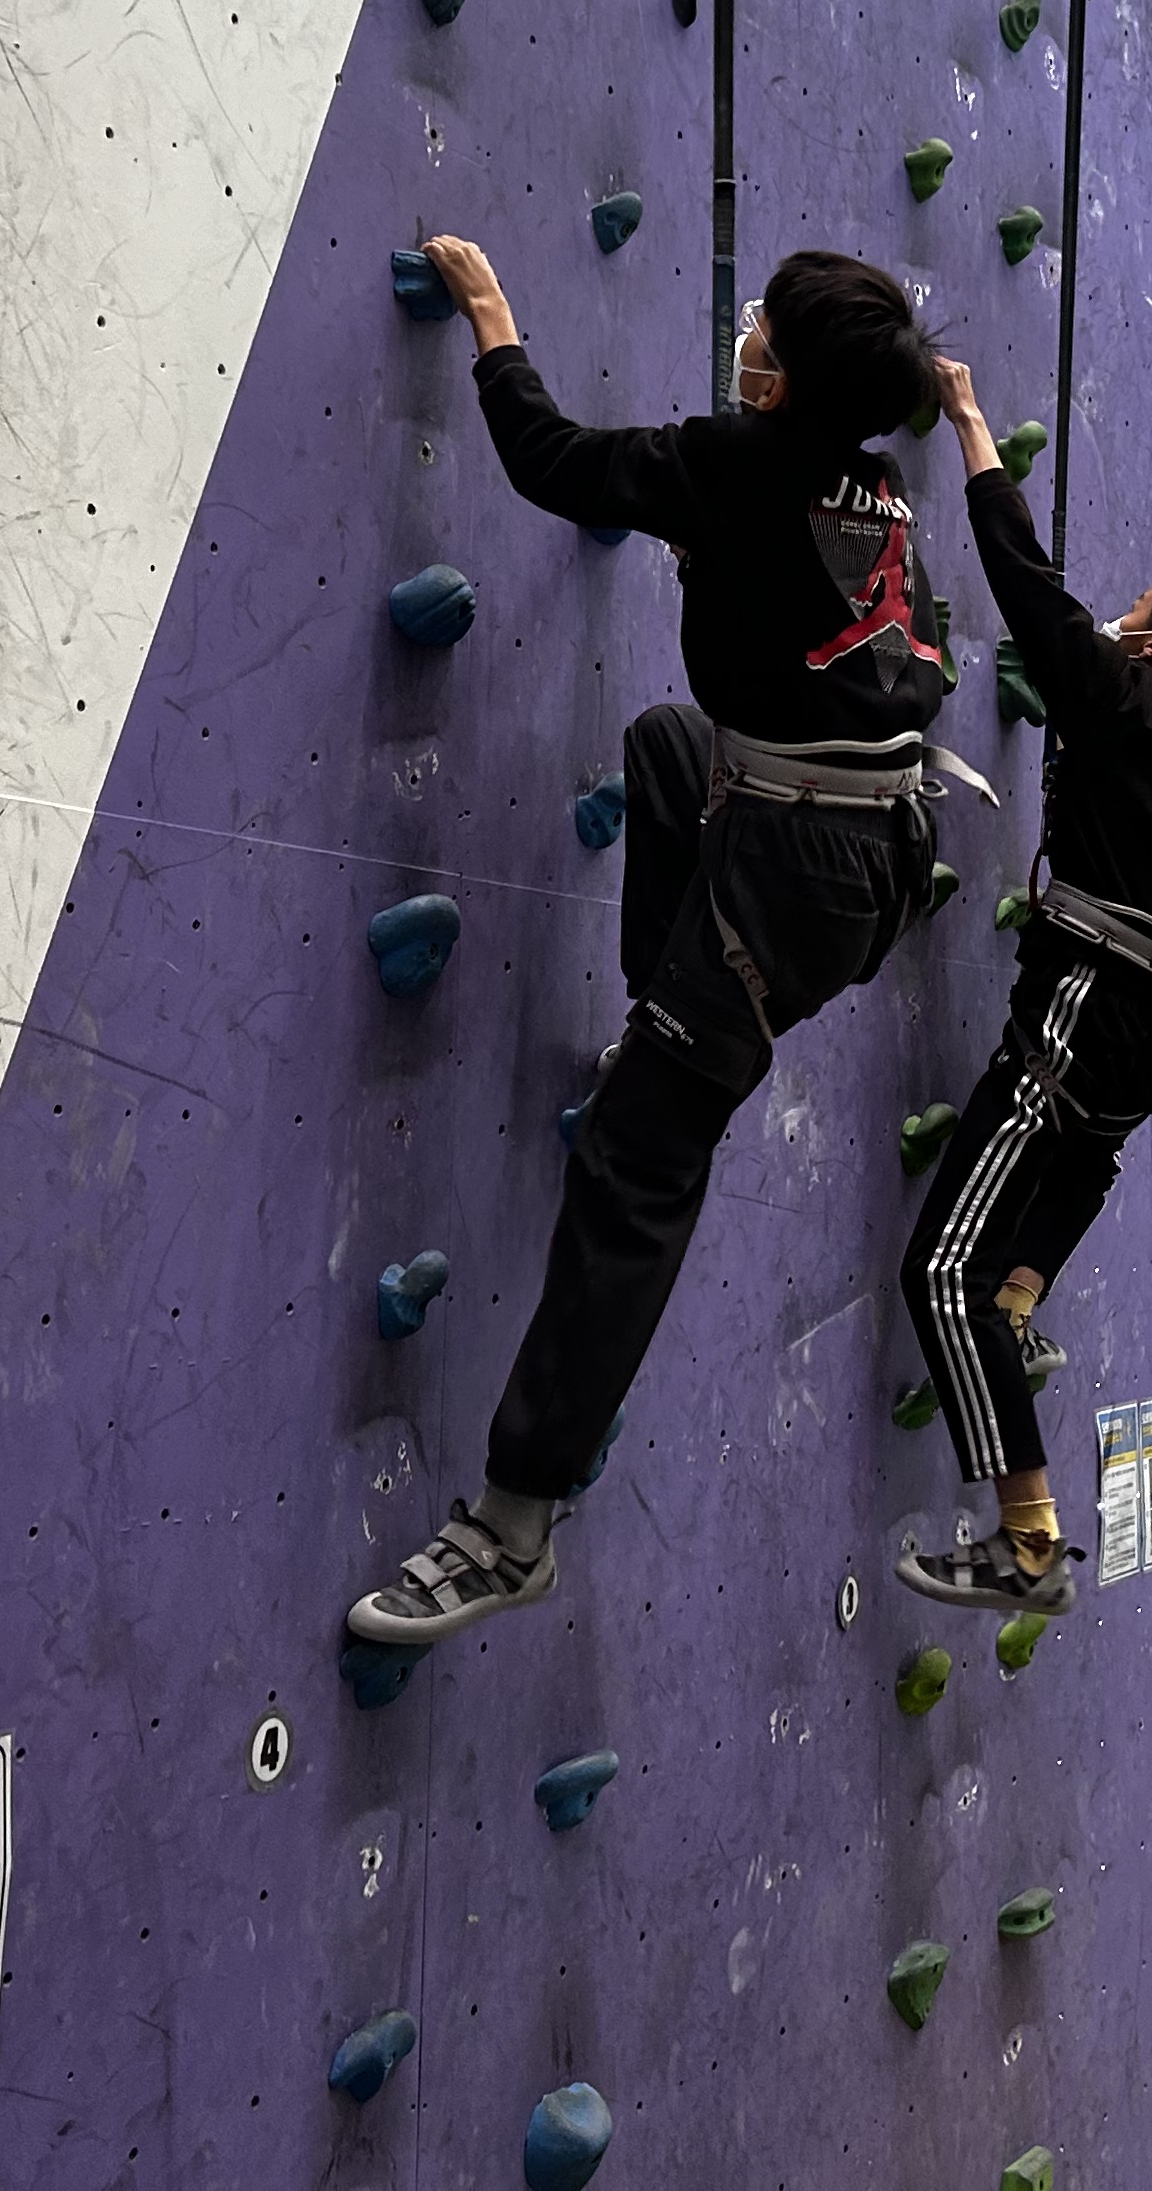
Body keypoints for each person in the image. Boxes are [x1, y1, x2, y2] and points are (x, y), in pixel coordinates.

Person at [346, 240, 959, 1652]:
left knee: (638, 1169)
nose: (746, 336)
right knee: (671, 749)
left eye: (764, 329)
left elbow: (554, 461)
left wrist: (492, 317)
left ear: (782, 382)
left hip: (794, 879)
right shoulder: (874, 489)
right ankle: (666, 1025)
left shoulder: (740, 462)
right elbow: (861, 638)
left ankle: (512, 1524)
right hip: (860, 841)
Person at [892, 354, 1152, 1617]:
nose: (1110, 619)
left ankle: (1026, 1541)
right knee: (1053, 1192)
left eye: (1131, 612)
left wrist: (969, 425)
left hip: (1085, 1002)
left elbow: (1026, 585)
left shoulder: (1125, 699)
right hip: (1143, 1023)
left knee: (936, 1278)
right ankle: (1022, 1293)